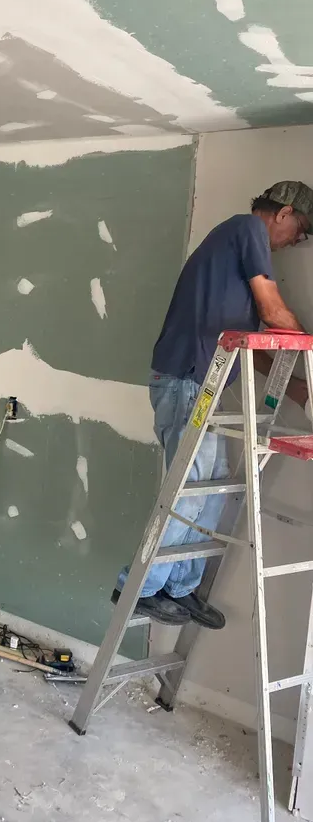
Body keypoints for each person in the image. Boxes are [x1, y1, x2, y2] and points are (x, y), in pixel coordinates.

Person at [115, 180, 313, 629]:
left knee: (212, 491)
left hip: (204, 386)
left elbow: (252, 345)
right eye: (297, 231)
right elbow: (273, 312)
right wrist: (309, 346)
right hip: (184, 379)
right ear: (282, 213)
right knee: (188, 489)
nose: (294, 242)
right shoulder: (246, 229)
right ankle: (140, 588)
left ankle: (180, 587)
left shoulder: (236, 262)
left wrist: (299, 390)